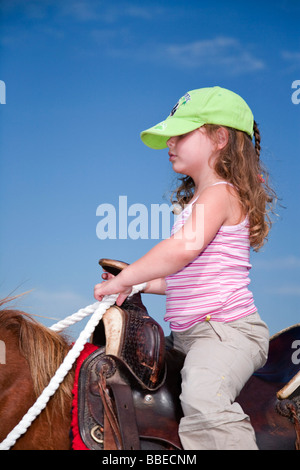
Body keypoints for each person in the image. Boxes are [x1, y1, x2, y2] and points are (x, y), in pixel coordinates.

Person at [94, 86, 277, 450]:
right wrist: (141, 285)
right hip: (189, 336)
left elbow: (180, 251)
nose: (170, 143)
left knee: (204, 399)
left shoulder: (221, 195)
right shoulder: (198, 202)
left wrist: (128, 277)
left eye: (181, 134)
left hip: (228, 333)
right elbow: (184, 276)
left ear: (220, 138)